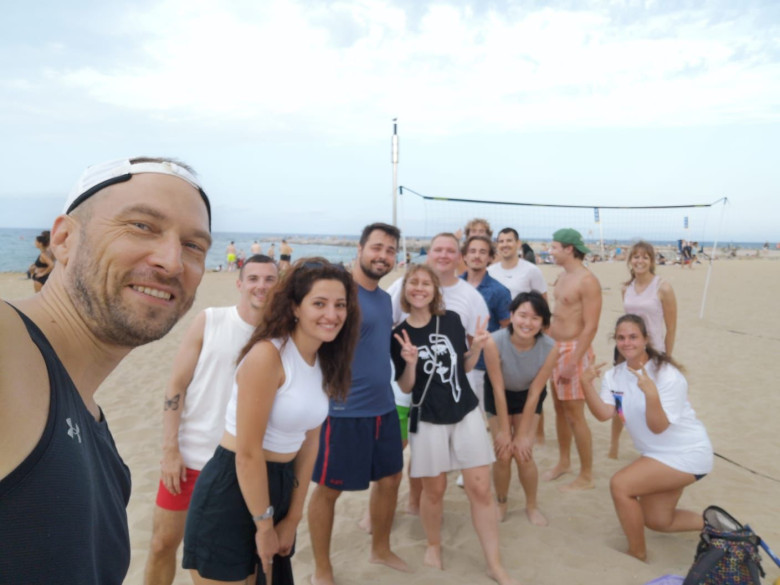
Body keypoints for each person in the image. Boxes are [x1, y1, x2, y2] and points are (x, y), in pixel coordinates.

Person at [0, 156, 213, 584]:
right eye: (141, 225)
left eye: (194, 246)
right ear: (63, 239)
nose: (172, 262)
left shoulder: (98, 433)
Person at [183, 258, 360, 584]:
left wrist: (293, 518)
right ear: (294, 306)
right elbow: (247, 453)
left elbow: (310, 442)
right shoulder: (269, 356)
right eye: (319, 303)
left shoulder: (323, 359)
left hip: (280, 486)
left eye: (340, 305)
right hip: (234, 488)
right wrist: (264, 525)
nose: (332, 315)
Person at [144, 255, 279, 585]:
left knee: (238, 561)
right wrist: (170, 450)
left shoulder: (281, 338)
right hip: (189, 459)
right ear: (240, 283)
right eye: (254, 278)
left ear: (279, 286)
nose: (261, 285)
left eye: (270, 279)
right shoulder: (211, 320)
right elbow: (176, 385)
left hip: (239, 467)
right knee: (162, 544)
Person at [391, 264, 519, 585]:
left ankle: (494, 563)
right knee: (434, 491)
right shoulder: (398, 334)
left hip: (464, 412)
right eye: (413, 283)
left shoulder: (450, 321)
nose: (419, 288)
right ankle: (434, 545)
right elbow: (406, 387)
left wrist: (475, 347)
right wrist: (409, 363)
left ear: (436, 290)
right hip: (427, 417)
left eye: (425, 283)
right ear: (406, 290)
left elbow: (463, 366)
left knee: (479, 488)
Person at [308, 223, 409, 585]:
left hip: (383, 406)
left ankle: (380, 549)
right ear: (361, 248)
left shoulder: (384, 299)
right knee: (328, 489)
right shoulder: (339, 293)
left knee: (391, 479)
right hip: (342, 411)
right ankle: (322, 568)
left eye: (391, 250)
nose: (383, 256)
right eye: (377, 247)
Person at [581, 314, 712, 561]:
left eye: (633, 337)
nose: (627, 342)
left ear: (646, 339)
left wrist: (651, 396)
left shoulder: (667, 375)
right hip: (656, 455)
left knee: (621, 485)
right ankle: (718, 528)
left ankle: (636, 553)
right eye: (621, 337)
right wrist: (586, 385)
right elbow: (605, 414)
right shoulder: (614, 376)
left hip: (686, 452)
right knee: (659, 520)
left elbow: (659, 427)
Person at [482, 291, 557, 525]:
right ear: (512, 315)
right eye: (522, 315)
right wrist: (505, 431)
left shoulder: (551, 347)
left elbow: (536, 392)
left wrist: (523, 435)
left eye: (535, 318)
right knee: (503, 453)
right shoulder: (494, 341)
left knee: (524, 453)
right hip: (499, 393)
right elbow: (497, 388)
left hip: (528, 395)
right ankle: (501, 502)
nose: (527, 323)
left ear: (543, 323)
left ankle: (531, 506)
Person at [544, 228, 602, 491]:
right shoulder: (562, 275)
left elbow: (591, 326)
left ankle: (586, 474)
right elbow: (559, 313)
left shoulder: (587, 280)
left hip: (574, 350)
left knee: (576, 415)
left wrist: (573, 361)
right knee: (558, 408)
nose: (550, 251)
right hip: (554, 348)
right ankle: (564, 461)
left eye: (554, 247)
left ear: (569, 249)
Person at [609, 241, 677, 459]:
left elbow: (671, 327)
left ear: (652, 261)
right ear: (630, 261)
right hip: (626, 349)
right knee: (619, 398)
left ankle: (654, 446)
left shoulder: (663, 287)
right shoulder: (625, 288)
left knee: (652, 400)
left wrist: (667, 356)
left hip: (653, 351)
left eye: (645, 257)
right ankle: (614, 442)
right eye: (636, 257)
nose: (640, 261)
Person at [461, 234, 511, 408]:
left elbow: (506, 331)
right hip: (454, 363)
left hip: (482, 367)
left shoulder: (499, 291)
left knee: (480, 421)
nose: (477, 256)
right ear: (464, 256)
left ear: (490, 257)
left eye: (483, 252)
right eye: (472, 251)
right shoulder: (452, 286)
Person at [487, 228, 548, 301]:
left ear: (518, 243)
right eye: (501, 241)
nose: (505, 244)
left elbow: (543, 303)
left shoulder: (532, 270)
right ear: (497, 245)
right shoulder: (489, 271)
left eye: (509, 241)